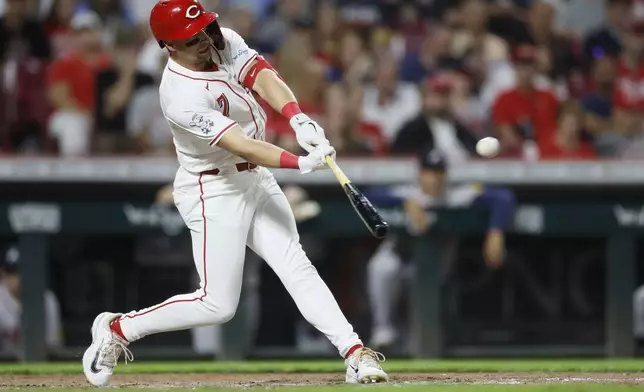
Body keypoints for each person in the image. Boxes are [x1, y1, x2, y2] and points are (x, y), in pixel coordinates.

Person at [81, 0, 388, 387]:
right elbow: (240, 144)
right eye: (191, 39)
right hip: (213, 188)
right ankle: (119, 330)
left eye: (205, 29)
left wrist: (296, 115)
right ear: (169, 45)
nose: (204, 40)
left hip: (255, 179)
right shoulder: (179, 95)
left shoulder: (220, 40)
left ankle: (354, 352)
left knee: (295, 263)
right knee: (217, 304)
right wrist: (299, 164)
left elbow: (261, 73)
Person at [364, 147, 515, 350]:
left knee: (423, 286)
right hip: (398, 256)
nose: (433, 178)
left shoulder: (455, 194)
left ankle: (416, 340)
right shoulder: (409, 191)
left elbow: (503, 197)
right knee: (381, 266)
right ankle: (383, 330)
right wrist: (405, 202)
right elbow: (370, 194)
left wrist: (496, 231)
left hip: (434, 266)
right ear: (420, 173)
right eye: (428, 172)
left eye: (438, 172)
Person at [0, 245, 63, 356]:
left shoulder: (47, 299)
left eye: (21, 271)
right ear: (3, 273)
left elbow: (54, 346)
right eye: (11, 272)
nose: (17, 278)